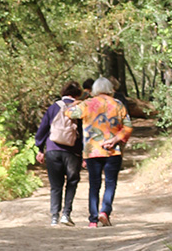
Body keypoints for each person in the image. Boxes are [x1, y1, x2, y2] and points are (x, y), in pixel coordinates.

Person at [67, 76, 132, 227]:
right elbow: (128, 127)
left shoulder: (87, 104)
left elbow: (69, 113)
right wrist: (115, 140)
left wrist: (76, 103)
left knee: (94, 184)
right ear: (110, 89)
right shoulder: (118, 104)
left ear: (94, 89)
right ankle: (105, 212)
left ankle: (93, 220)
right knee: (110, 183)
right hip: (112, 150)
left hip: (92, 151)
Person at [34, 80, 83, 226]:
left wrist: (40, 149)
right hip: (72, 151)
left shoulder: (53, 108)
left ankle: (54, 216)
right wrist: (84, 152)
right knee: (72, 182)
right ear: (77, 94)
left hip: (53, 149)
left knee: (56, 185)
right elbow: (83, 131)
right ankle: (66, 215)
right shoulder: (79, 108)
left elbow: (42, 129)